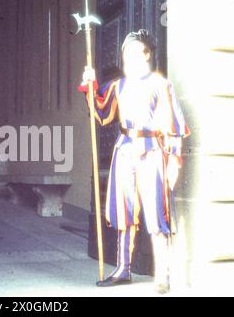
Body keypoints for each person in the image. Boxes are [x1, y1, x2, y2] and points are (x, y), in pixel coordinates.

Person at [78, 29, 190, 294]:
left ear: (147, 54)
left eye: (134, 51)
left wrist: (173, 160)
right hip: (125, 150)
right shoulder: (118, 85)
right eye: (125, 52)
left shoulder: (162, 85)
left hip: (152, 151)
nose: (129, 56)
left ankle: (162, 274)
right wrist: (91, 85)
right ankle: (123, 269)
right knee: (124, 211)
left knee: (155, 212)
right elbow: (101, 112)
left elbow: (173, 126)